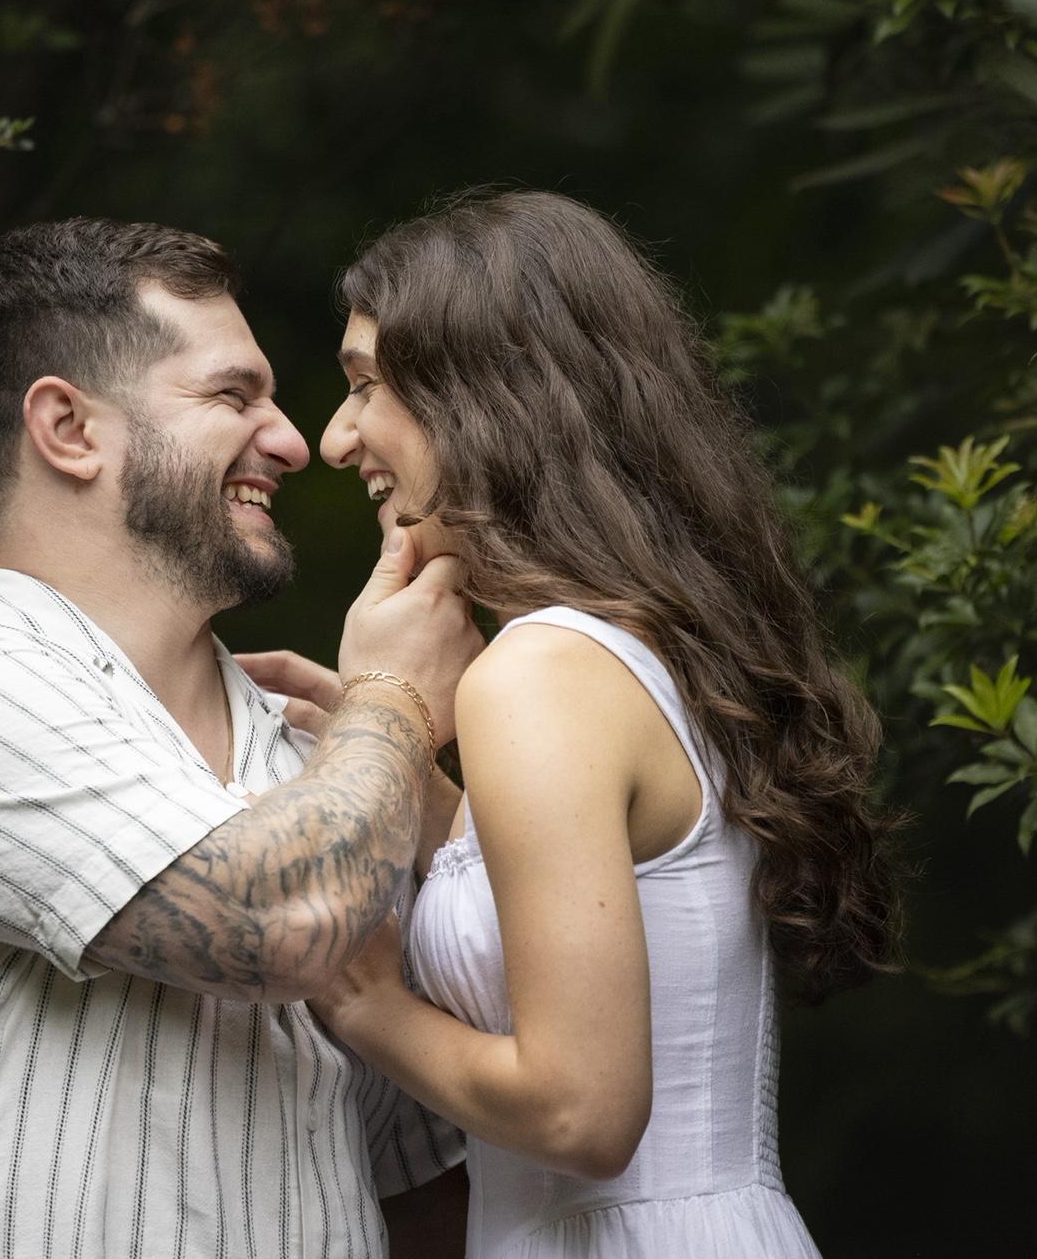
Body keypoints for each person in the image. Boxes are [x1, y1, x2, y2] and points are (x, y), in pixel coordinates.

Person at [0, 217, 483, 1259]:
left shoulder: (328, 761)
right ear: (68, 428)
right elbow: (282, 919)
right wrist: (396, 698)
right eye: (232, 396)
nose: (295, 442)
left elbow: (420, 1179)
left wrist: (395, 754)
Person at [249, 190, 903, 1258]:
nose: (334, 438)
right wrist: (403, 763)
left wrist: (359, 996)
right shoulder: (628, 646)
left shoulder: (539, 672)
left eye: (365, 384)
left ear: (483, 396)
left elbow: (578, 1114)